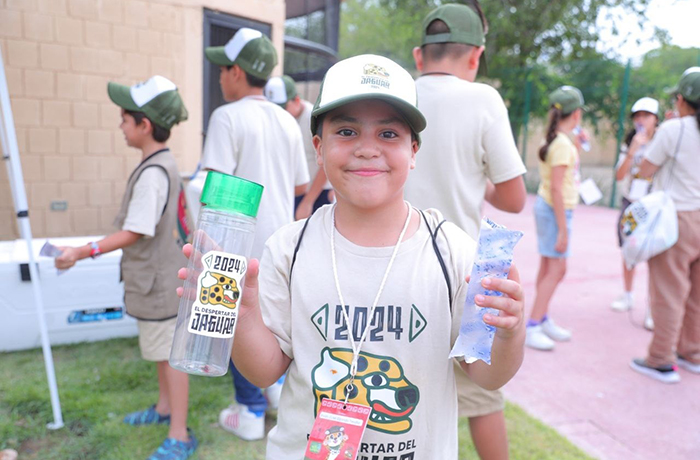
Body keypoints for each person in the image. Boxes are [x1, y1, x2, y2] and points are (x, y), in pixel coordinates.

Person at [178, 54, 526, 459]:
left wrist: (509, 332)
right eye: (346, 131)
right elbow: (265, 370)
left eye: (389, 135)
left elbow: (486, 375)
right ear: (319, 148)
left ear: (414, 151)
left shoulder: (452, 253)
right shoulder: (289, 248)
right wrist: (242, 315)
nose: (366, 149)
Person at [404, 3, 527, 458]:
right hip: (467, 275)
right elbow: (514, 199)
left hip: (395, 270)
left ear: (419, 56)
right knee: (482, 400)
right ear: (475, 56)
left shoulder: (398, 94)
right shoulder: (484, 100)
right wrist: (476, 177)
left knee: (395, 397)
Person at [55, 76, 196, 460]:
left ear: (144, 125)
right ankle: (164, 408)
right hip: (161, 281)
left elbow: (135, 231)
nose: (120, 125)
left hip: (161, 284)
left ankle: (180, 434)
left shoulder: (153, 173)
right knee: (161, 352)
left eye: (124, 118)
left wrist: (82, 251)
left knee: (171, 356)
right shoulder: (162, 164)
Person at [201, 28, 309, 440]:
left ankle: (248, 410)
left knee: (233, 323)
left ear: (235, 72)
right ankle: (275, 391)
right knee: (268, 323)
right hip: (280, 244)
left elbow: (215, 189)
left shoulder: (226, 117)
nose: (220, 78)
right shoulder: (286, 119)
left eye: (222, 69)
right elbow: (300, 186)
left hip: (235, 245)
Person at [631, 67, 700, 383]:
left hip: (678, 219)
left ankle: (660, 359)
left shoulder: (675, 129)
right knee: (696, 294)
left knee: (669, 292)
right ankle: (693, 352)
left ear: (682, 99)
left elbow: (646, 171)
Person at [526, 86, 588, 351]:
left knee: (548, 267)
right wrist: (563, 230)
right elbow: (557, 189)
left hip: (548, 208)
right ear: (576, 114)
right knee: (558, 269)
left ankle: (542, 317)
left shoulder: (559, 141)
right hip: (555, 211)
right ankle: (533, 325)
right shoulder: (561, 145)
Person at [611, 97, 659, 331]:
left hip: (653, 205)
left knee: (655, 255)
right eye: (637, 116)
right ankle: (627, 295)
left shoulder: (663, 140)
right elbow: (619, 176)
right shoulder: (630, 142)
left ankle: (652, 308)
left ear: (655, 119)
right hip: (631, 203)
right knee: (628, 250)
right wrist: (632, 151)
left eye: (646, 115)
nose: (641, 120)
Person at [264, 75, 333, 220]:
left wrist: (308, 201)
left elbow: (327, 161)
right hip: (294, 192)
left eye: (283, 108)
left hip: (317, 193)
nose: (278, 113)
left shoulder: (312, 120)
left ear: (296, 100)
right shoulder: (276, 121)